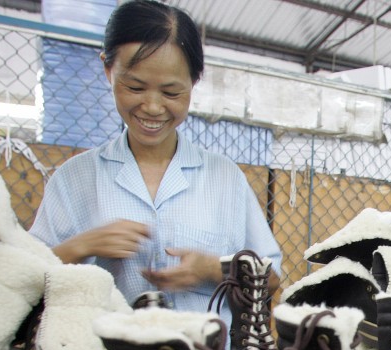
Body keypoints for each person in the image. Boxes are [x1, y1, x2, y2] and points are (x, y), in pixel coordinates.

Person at [30, 0, 282, 327]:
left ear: (194, 82)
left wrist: (213, 269)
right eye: (134, 86)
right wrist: (81, 246)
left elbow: (272, 279)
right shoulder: (73, 179)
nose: (152, 106)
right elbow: (28, 276)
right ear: (108, 70)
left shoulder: (225, 178)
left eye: (171, 92)